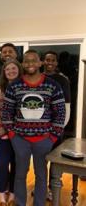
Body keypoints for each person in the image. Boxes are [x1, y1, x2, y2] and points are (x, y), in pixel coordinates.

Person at [2, 50, 65, 206]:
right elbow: (6, 112)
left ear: (40, 63)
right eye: (27, 61)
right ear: (23, 64)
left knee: (41, 175)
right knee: (20, 175)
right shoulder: (15, 86)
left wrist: (52, 137)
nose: (30, 64)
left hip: (44, 140)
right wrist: (12, 135)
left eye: (33, 61)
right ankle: (20, 203)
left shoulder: (52, 85)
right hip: (20, 139)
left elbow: (60, 113)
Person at [0, 59, 23, 206]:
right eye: (7, 69)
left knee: (17, 164)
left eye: (13, 68)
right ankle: (2, 195)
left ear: (19, 70)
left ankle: (13, 193)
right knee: (2, 164)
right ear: (4, 72)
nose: (10, 71)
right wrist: (1, 131)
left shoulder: (25, 87)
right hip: (3, 135)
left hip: (20, 136)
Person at [42, 50, 71, 201]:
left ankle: (52, 188)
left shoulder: (62, 80)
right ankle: (42, 188)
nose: (50, 63)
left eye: (53, 60)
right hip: (39, 128)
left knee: (53, 159)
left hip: (55, 128)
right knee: (41, 160)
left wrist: (59, 127)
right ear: (43, 62)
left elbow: (66, 106)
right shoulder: (38, 78)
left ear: (56, 62)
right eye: (47, 60)